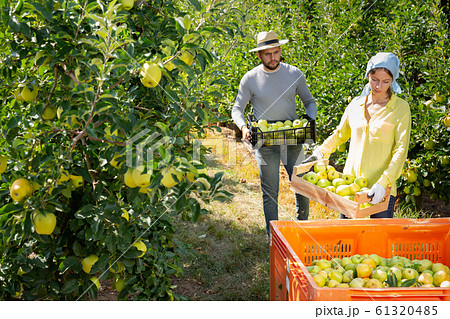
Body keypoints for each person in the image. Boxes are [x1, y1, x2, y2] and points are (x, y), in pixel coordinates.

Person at [232, 30, 317, 237]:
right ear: (259, 55)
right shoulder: (250, 78)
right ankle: (274, 237)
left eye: (276, 52)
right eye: (268, 54)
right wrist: (243, 127)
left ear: (280, 51)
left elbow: (310, 102)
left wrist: (309, 119)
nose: (273, 58)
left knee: (301, 185)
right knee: (270, 192)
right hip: (265, 141)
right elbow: (237, 109)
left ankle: (302, 227)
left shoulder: (294, 74)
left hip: (292, 139)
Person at [305, 52, 411, 218]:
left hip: (380, 190)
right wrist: (320, 152)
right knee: (348, 239)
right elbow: (340, 134)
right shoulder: (356, 104)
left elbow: (401, 149)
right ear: (368, 74)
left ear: (393, 81)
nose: (378, 86)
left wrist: (383, 183)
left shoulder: (400, 109)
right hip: (350, 186)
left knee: (377, 240)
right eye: (375, 79)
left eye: (386, 82)